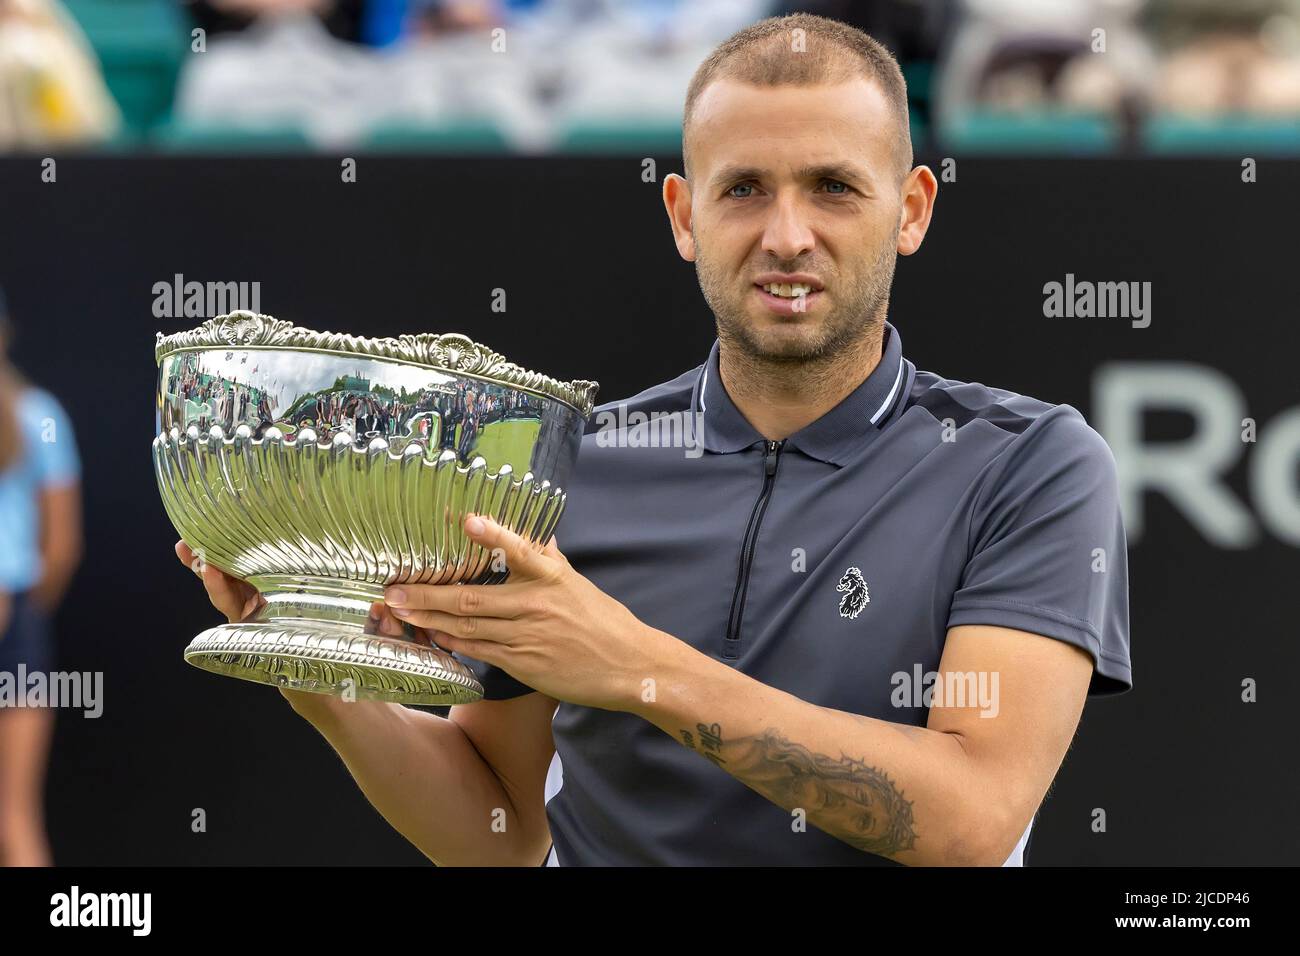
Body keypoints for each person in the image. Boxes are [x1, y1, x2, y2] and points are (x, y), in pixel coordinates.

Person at [178, 13, 1131, 866]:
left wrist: (632, 666)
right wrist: (312, 670)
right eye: (744, 189)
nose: (787, 235)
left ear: (912, 209)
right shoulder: (568, 469)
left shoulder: (1032, 464)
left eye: (834, 187)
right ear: (683, 215)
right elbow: (500, 828)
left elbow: (973, 822)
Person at [0, 292, 82, 867]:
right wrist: (24, 614)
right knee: (16, 817)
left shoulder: (36, 417)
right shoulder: (41, 415)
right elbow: (62, 548)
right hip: (19, 621)